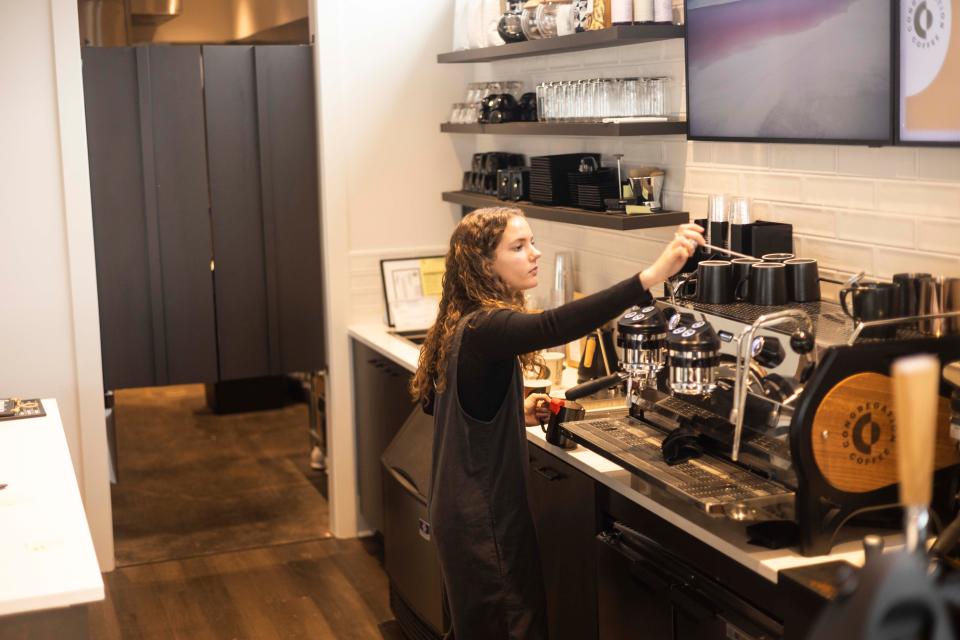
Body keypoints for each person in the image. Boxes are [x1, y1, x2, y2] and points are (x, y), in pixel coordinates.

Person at [410, 207, 704, 639]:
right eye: (519, 246)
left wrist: (514, 412)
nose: (535, 253)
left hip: (463, 514)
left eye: (532, 242)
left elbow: (448, 410)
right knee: (512, 626)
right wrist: (650, 276)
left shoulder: (464, 323)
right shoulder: (487, 327)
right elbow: (551, 326)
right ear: (484, 264)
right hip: (483, 521)